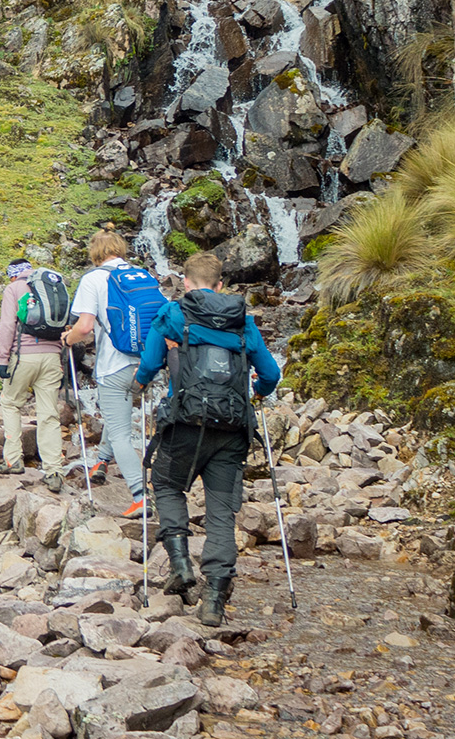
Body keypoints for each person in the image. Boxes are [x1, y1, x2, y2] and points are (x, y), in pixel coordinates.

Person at [135, 250, 281, 627]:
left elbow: (150, 365)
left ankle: (181, 564)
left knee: (166, 485)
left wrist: (139, 383)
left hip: (184, 422)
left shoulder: (171, 314)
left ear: (185, 282)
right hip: (231, 429)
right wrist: (259, 392)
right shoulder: (243, 320)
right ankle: (214, 599)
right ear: (220, 285)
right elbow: (270, 373)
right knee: (220, 513)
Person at [60, 229, 158, 519]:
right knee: (119, 418)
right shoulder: (142, 276)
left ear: (95, 253)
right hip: (146, 364)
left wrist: (68, 339)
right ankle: (102, 462)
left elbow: (85, 326)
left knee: (119, 432)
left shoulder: (93, 279)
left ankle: (140, 495)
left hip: (113, 365)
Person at [0, 258, 66, 488]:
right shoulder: (52, 285)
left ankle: (13, 459)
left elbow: (7, 326)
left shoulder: (13, 288)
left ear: (12, 275)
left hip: (24, 356)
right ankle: (54, 471)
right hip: (52, 357)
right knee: (49, 414)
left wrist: (3, 359)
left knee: (10, 403)